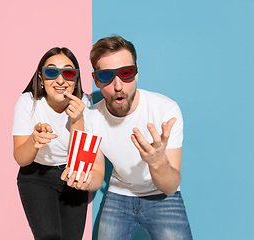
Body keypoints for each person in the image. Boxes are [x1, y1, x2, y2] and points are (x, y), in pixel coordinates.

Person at [82, 35, 192, 239]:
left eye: (126, 73)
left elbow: (170, 186)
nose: (118, 86)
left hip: (163, 197)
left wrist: (157, 162)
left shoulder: (165, 111)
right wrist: (82, 181)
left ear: (137, 73)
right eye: (106, 76)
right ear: (96, 79)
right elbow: (96, 173)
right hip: (119, 195)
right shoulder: (90, 119)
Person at [12, 47, 93, 240]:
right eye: (51, 72)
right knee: (50, 237)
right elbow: (21, 159)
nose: (60, 80)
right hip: (36, 175)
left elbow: (81, 163)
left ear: (76, 79)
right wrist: (34, 140)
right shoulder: (28, 102)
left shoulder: (86, 104)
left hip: (72, 176)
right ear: (41, 77)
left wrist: (78, 120)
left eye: (68, 72)